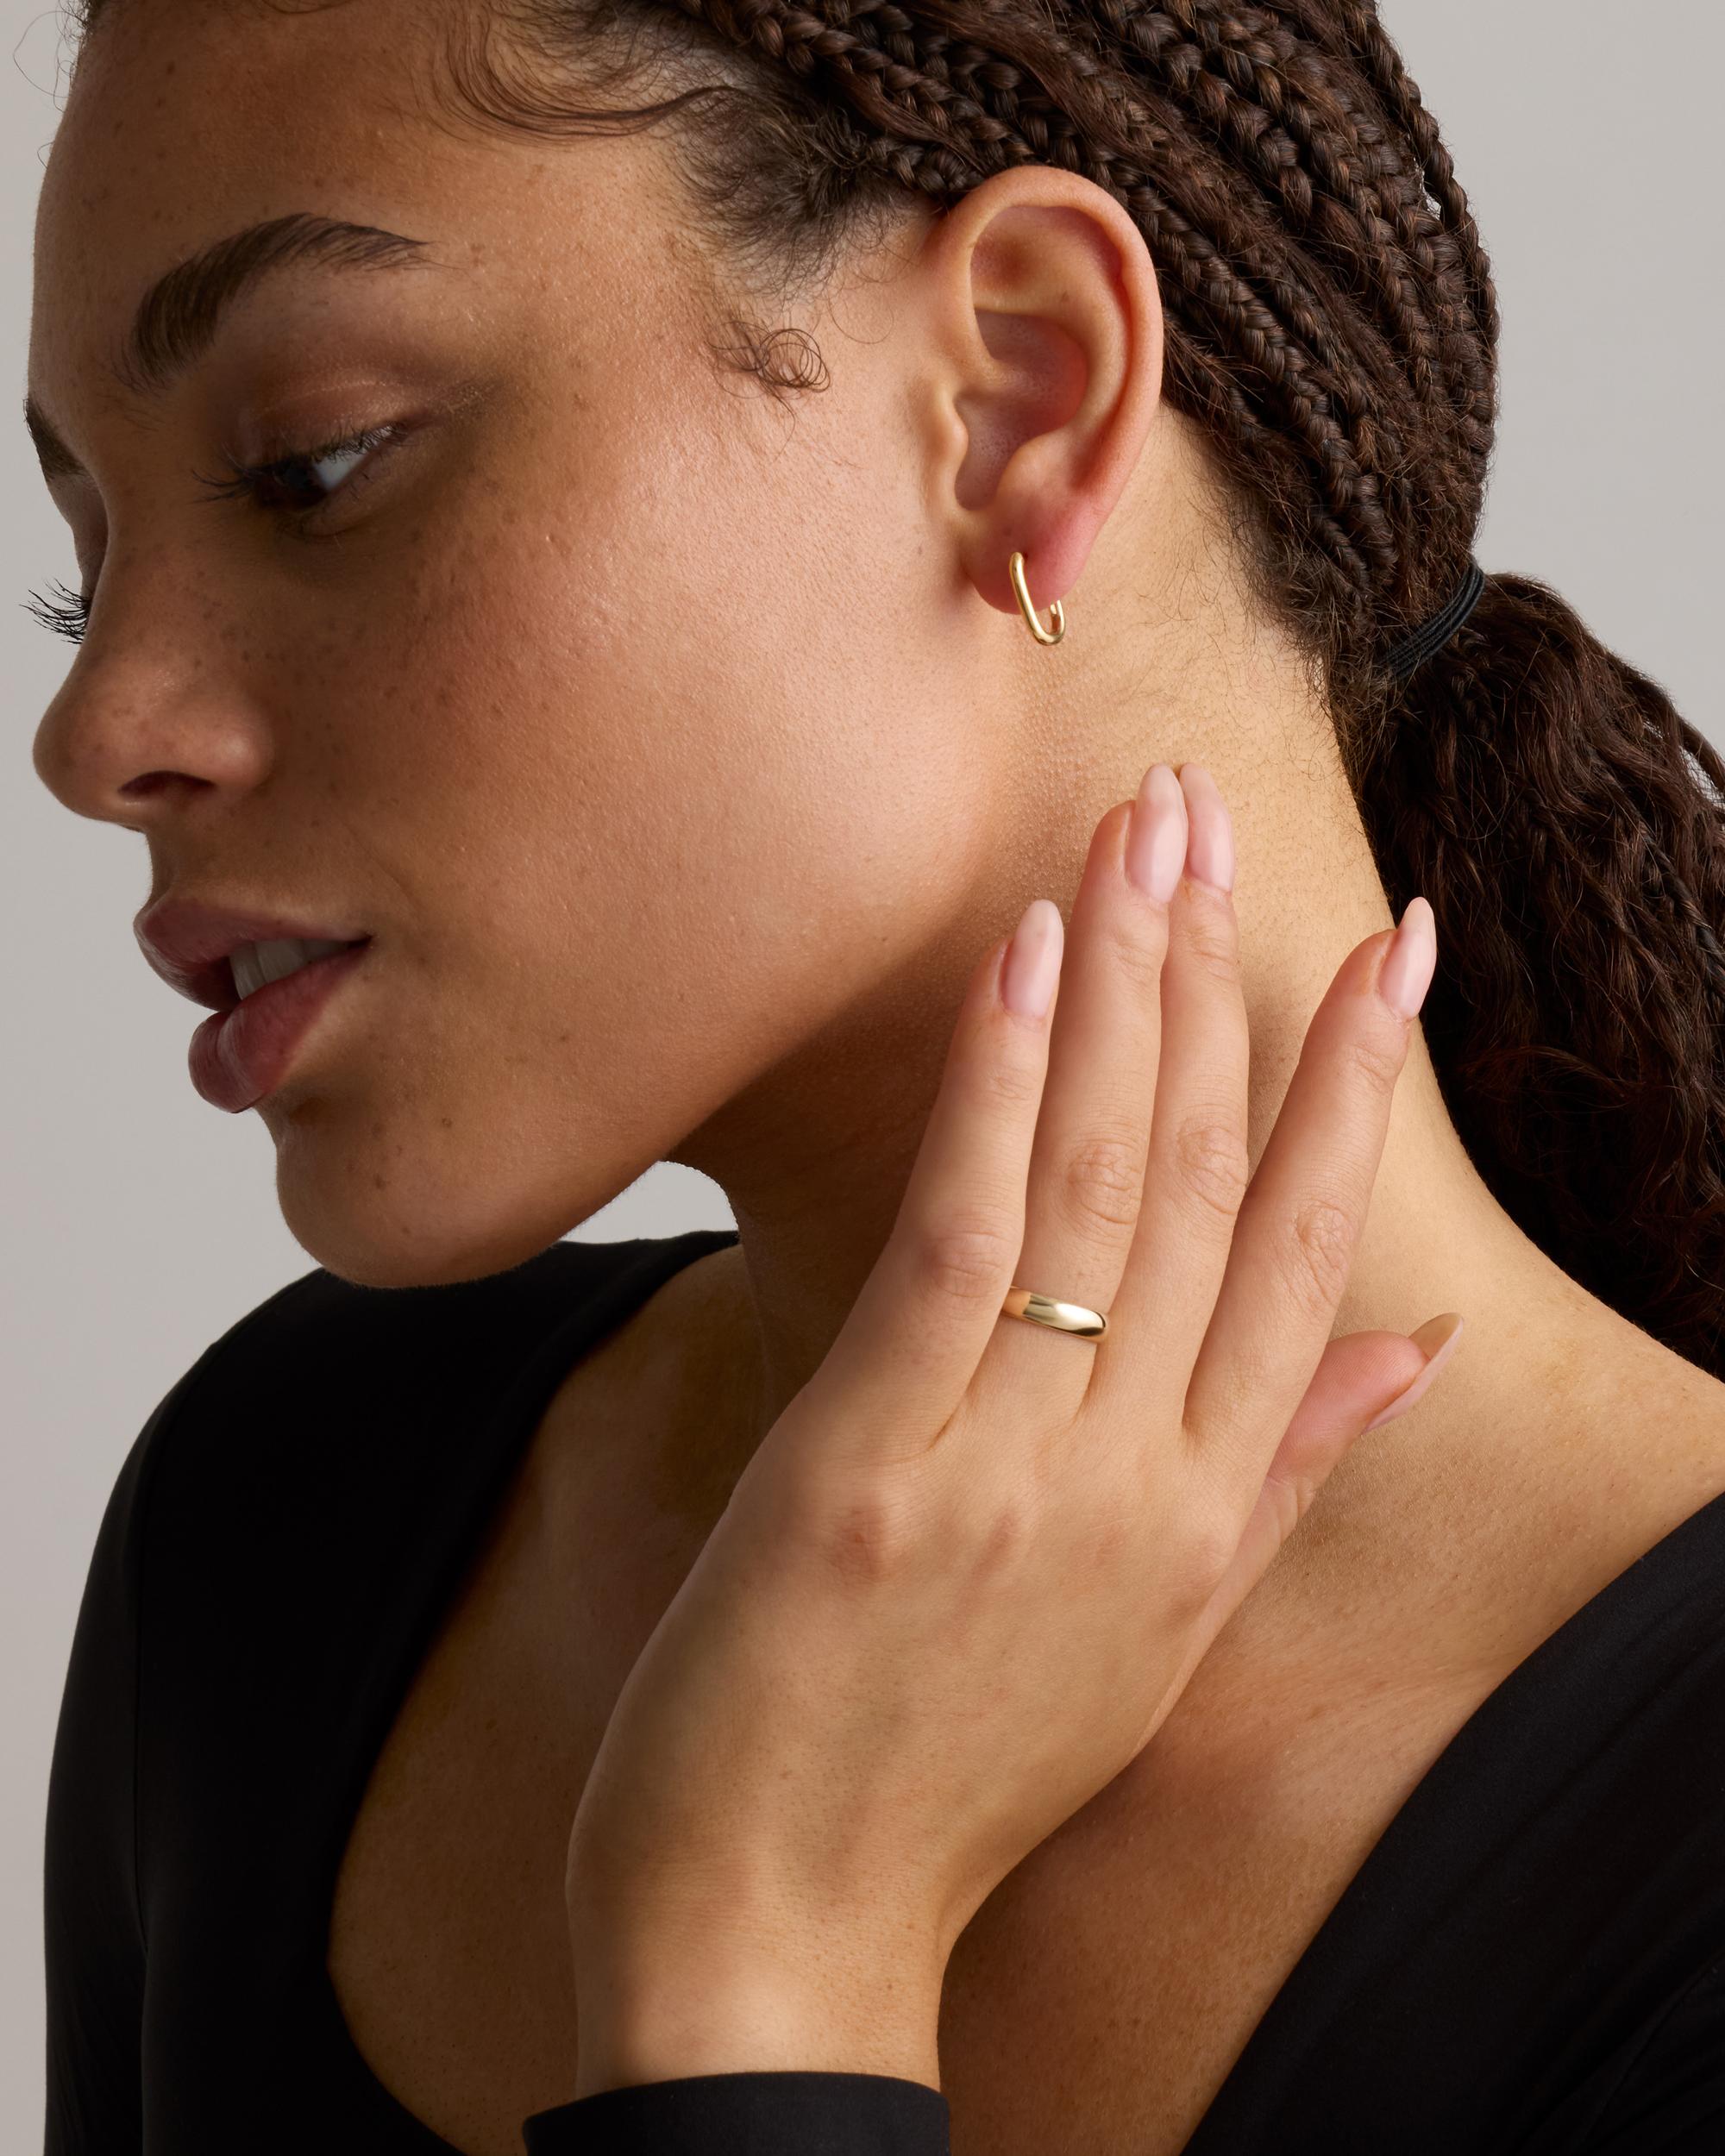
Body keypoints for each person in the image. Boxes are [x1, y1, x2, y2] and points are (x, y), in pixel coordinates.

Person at [26, 0, 1724, 2150]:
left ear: (1020, 391)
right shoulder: (284, 1522)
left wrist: (768, 1953)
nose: (99, 731)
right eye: (83, 563)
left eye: (316, 463)